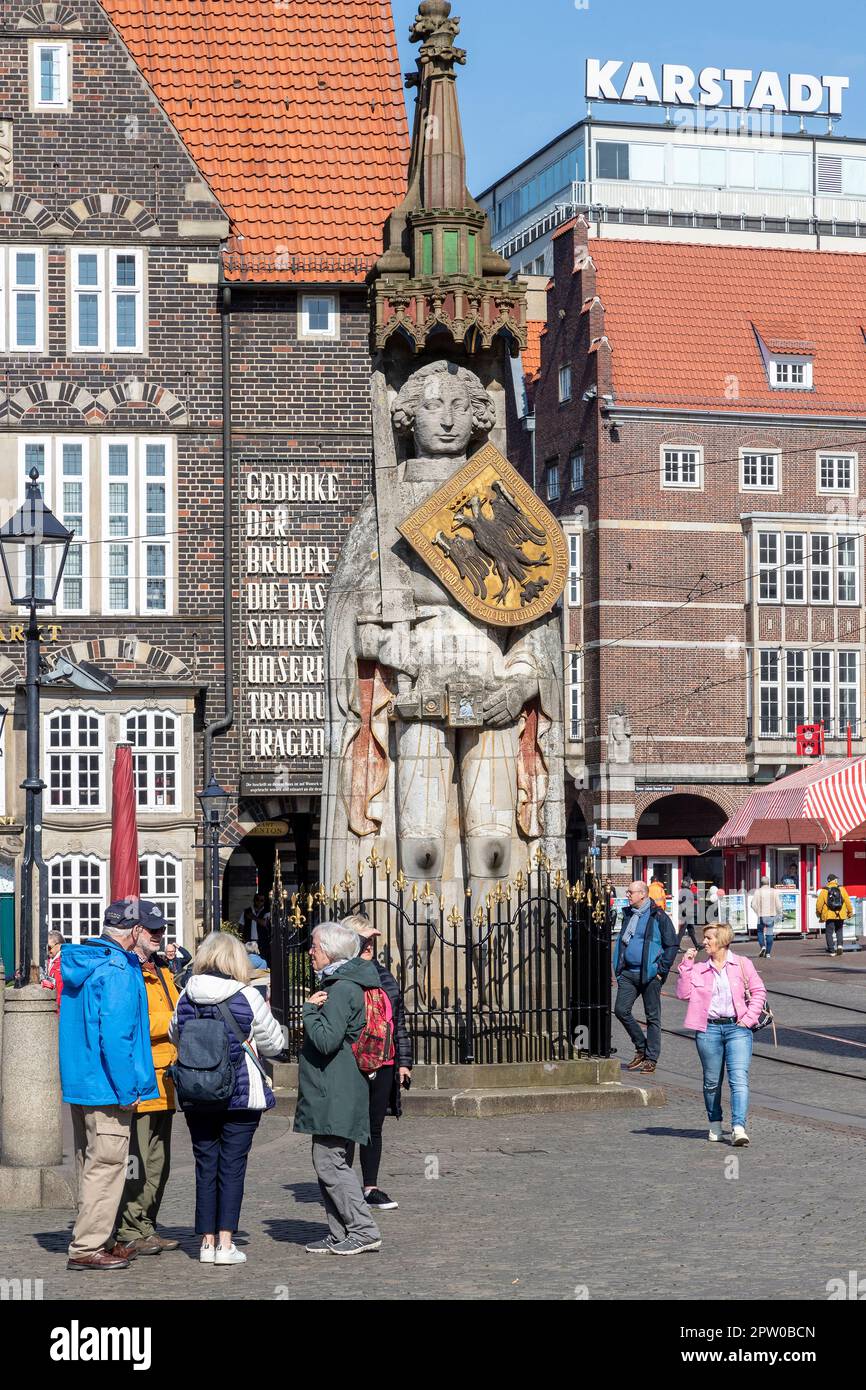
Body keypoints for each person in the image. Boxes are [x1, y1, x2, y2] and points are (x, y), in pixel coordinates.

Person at [170, 931, 283, 1266]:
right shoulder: (246, 996)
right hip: (240, 1093)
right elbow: (275, 1044)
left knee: (205, 1165)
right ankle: (225, 1243)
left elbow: (176, 1034)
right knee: (232, 1167)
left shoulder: (186, 995)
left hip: (196, 1091)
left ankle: (205, 1242)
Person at [59, 899, 161, 1271]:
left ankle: (99, 1236)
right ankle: (87, 1246)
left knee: (91, 1163)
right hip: (107, 1085)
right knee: (107, 1165)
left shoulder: (86, 961)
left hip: (83, 1081)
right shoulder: (116, 968)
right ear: (133, 931)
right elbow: (117, 1038)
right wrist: (128, 1089)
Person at [294, 921, 383, 1256]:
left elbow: (326, 1039)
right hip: (337, 1087)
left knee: (329, 1161)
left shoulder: (342, 988)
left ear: (329, 950)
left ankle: (362, 1228)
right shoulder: (345, 983)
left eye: (314, 946)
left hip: (336, 1087)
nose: (310, 952)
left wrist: (308, 1011)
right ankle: (340, 1231)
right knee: (332, 1159)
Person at [112, 915, 181, 1258]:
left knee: (159, 1161)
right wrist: (172, 1021)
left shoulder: (161, 969)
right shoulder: (128, 972)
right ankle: (128, 1229)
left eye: (161, 930)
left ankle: (146, 1226)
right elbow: (131, 1021)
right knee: (136, 1161)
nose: (159, 935)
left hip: (167, 1077)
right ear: (136, 932)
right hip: (143, 1077)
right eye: (152, 929)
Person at [341, 915, 413, 1211]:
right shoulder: (343, 975)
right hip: (353, 1062)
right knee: (348, 1127)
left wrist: (404, 1063)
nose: (369, 945)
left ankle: (370, 1187)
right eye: (362, 940)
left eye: (371, 940)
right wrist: (357, 940)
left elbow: (399, 1021)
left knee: (374, 1126)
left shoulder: (384, 976)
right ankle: (343, 1187)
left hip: (385, 1060)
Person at [676, 923, 767, 1146]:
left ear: (722, 940)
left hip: (738, 1028)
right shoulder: (699, 968)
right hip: (708, 1030)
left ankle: (738, 1127)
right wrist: (686, 965)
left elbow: (759, 992)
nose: (704, 942)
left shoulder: (742, 964)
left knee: (739, 1079)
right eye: (704, 938)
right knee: (711, 1082)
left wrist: (748, 1020)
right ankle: (715, 1122)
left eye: (708, 938)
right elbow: (683, 993)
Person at [613, 881, 678, 1075]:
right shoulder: (629, 914)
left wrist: (661, 970)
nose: (627, 895)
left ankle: (651, 1058)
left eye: (630, 892)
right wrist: (618, 968)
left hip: (650, 975)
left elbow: (672, 945)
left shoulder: (658, 916)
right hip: (628, 973)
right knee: (620, 1010)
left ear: (642, 894)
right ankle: (641, 1046)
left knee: (652, 1017)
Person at [816, 874, 852, 957]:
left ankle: (831, 950)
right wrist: (850, 912)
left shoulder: (824, 890)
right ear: (835, 880)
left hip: (829, 915)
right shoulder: (842, 889)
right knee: (839, 931)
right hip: (840, 914)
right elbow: (847, 901)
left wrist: (819, 914)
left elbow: (819, 904)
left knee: (829, 932)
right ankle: (840, 946)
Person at [749, 876, 783, 959]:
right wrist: (779, 913)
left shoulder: (758, 892)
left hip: (761, 915)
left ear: (761, 883)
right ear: (769, 882)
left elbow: (753, 904)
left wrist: (758, 912)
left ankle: (763, 946)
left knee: (760, 931)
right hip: (771, 915)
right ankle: (768, 953)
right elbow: (779, 905)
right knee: (769, 933)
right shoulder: (774, 891)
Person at [238, 893, 271, 965]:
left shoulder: (266, 912)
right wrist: (241, 939)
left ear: (264, 902)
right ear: (254, 900)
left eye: (261, 900)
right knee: (247, 961)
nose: (259, 902)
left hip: (262, 942)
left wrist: (253, 917)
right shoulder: (246, 911)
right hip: (248, 942)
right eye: (257, 900)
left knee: (263, 961)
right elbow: (241, 926)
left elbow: (265, 923)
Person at [40, 930, 64, 1010]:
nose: (48, 950)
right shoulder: (47, 961)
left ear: (59, 945)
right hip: (48, 1005)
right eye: (46, 947)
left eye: (49, 947)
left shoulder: (64, 962)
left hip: (60, 1006)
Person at [677, 875, 701, 951]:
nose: (691, 886)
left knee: (690, 930)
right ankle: (677, 946)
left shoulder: (681, 891)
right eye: (690, 885)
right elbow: (695, 897)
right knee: (682, 930)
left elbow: (680, 901)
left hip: (685, 913)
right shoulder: (688, 892)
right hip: (687, 913)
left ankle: (697, 945)